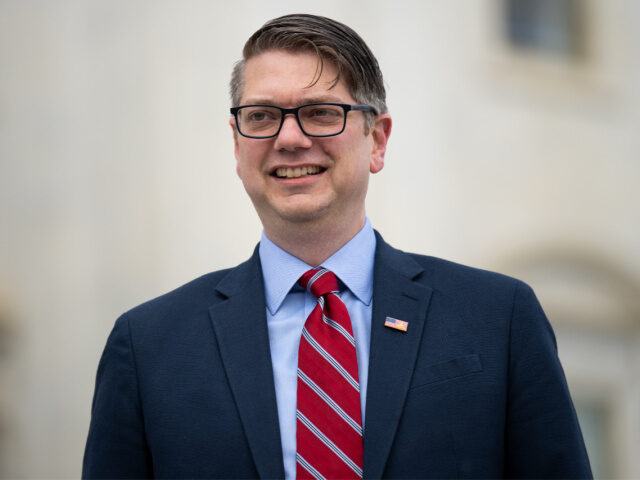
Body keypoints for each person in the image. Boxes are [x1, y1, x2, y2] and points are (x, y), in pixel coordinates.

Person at [83, 13, 592, 479]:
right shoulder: (148, 345)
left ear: (378, 140)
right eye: (261, 116)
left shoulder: (497, 318)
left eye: (321, 112)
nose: (289, 138)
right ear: (237, 146)